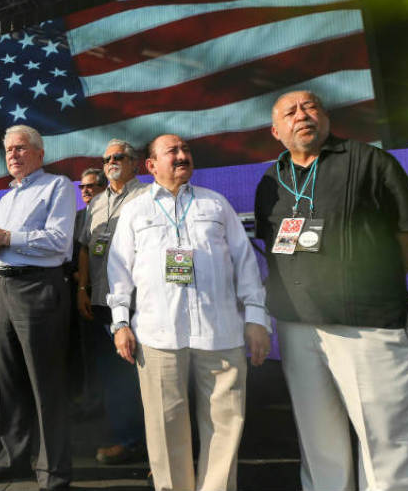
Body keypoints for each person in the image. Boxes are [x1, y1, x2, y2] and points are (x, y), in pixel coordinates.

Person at [254, 90, 408, 491]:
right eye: (290, 112)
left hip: (366, 324)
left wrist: (379, 277)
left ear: (326, 117)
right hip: (298, 327)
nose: (302, 115)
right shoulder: (271, 179)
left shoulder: (369, 161)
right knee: (319, 444)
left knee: (384, 442)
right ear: (276, 130)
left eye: (311, 106)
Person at [107, 134, 271, 491]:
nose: (182, 156)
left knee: (225, 425)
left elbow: (246, 264)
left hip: (221, 331)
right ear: (151, 166)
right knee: (165, 425)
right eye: (172, 152)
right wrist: (120, 322)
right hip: (157, 334)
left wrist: (257, 318)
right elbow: (118, 272)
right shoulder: (135, 209)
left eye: (185, 150)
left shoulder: (215, 204)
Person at [0, 125, 77, 490]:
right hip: (2, 288)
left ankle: (53, 472)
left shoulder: (58, 187)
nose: (12, 155)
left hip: (38, 289)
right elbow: (0, 243)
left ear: (39, 153)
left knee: (45, 384)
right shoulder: (7, 198)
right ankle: (14, 459)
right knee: (8, 382)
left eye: (20, 148)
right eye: (8, 150)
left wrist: (6, 237)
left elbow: (60, 242)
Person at [77, 140, 148, 464]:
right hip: (102, 301)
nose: (111, 162)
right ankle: (129, 439)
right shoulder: (96, 203)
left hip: (141, 303)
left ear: (135, 163)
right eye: (106, 158)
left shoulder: (148, 197)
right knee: (115, 378)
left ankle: (159, 446)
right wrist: (82, 289)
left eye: (119, 156)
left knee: (149, 376)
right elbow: (83, 249)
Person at [69, 167, 107, 419]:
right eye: (82, 187)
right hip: (84, 293)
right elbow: (71, 254)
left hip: (113, 294)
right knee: (88, 350)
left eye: (91, 186)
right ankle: (91, 397)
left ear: (104, 188)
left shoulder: (116, 213)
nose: (85, 191)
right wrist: (81, 281)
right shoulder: (77, 218)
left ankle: (113, 399)